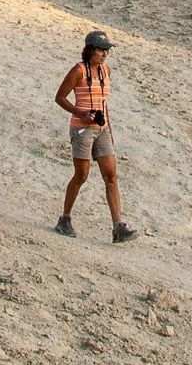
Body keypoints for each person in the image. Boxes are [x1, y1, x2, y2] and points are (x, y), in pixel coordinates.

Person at [53, 30, 135, 242]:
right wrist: (80, 112)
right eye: (100, 50)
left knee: (111, 175)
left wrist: (107, 127)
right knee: (81, 175)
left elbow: (103, 103)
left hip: (102, 129)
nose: (104, 55)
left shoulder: (105, 71)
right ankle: (65, 218)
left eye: (106, 51)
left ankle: (118, 226)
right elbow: (60, 97)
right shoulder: (78, 71)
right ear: (89, 50)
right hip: (82, 129)